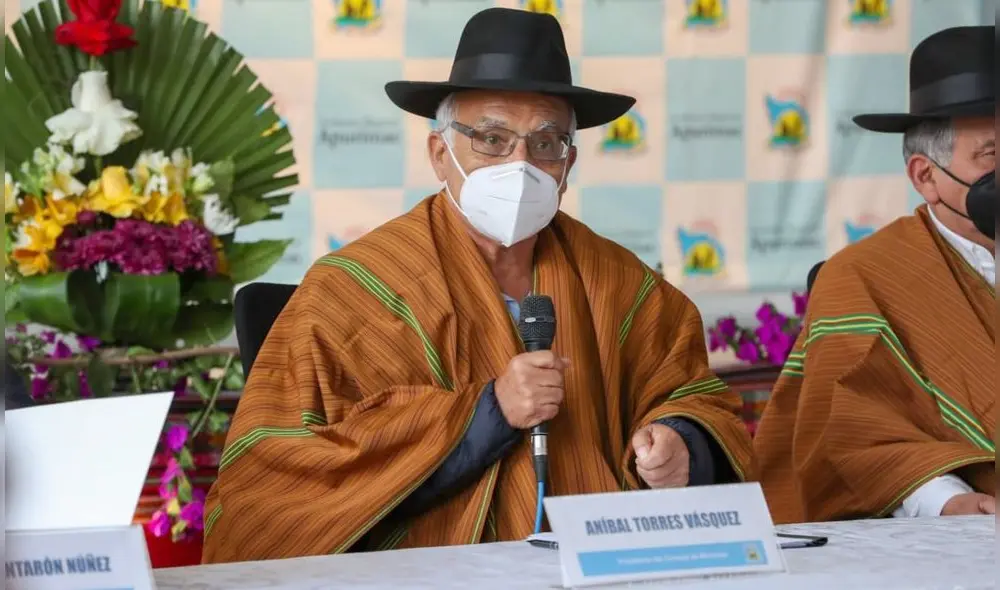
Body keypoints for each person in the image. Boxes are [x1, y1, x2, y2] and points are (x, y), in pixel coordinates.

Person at [202, 8, 752, 563]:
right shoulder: (350, 292)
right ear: (441, 154)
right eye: (491, 138)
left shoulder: (621, 282)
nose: (521, 163)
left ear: (569, 164)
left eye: (546, 143)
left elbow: (691, 395)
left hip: (607, 564)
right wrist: (488, 413)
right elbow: (272, 483)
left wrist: (684, 446)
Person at [754, 25, 995, 524]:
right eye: (991, 155)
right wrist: (947, 500)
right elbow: (848, 432)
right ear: (926, 176)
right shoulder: (860, 277)